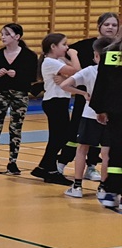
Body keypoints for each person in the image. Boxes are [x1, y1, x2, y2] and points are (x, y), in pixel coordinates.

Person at [0, 24, 39, 175]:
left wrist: (17, 74)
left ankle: (12, 162)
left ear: (17, 37)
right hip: (1, 94)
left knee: (16, 128)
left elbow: (32, 78)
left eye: (6, 34)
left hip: (20, 95)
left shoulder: (29, 56)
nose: (2, 37)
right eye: (2, 34)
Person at [68, 12, 117, 182]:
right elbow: (65, 51)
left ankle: (94, 170)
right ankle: (64, 163)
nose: (110, 27)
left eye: (114, 25)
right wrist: (68, 70)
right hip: (88, 99)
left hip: (112, 103)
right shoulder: (87, 46)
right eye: (107, 24)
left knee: (107, 143)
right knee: (80, 136)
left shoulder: (118, 47)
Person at [59, 38, 108, 199]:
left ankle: (77, 186)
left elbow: (64, 85)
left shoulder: (89, 71)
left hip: (89, 115)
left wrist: (83, 93)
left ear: (96, 55)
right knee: (107, 152)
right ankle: (103, 188)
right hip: (109, 116)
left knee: (82, 149)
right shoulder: (116, 73)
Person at [32, 33, 80, 184]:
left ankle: (44, 167)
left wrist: (65, 78)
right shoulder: (50, 62)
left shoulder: (58, 61)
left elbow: (75, 77)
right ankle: (49, 170)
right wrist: (74, 54)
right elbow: (77, 70)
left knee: (58, 137)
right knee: (60, 137)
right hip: (55, 102)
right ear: (53, 47)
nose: (67, 47)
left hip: (59, 102)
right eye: (64, 44)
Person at [88, 36, 121, 211]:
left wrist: (99, 108)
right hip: (117, 109)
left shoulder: (111, 52)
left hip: (115, 109)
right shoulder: (111, 53)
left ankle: (111, 191)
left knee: (116, 149)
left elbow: (101, 82)